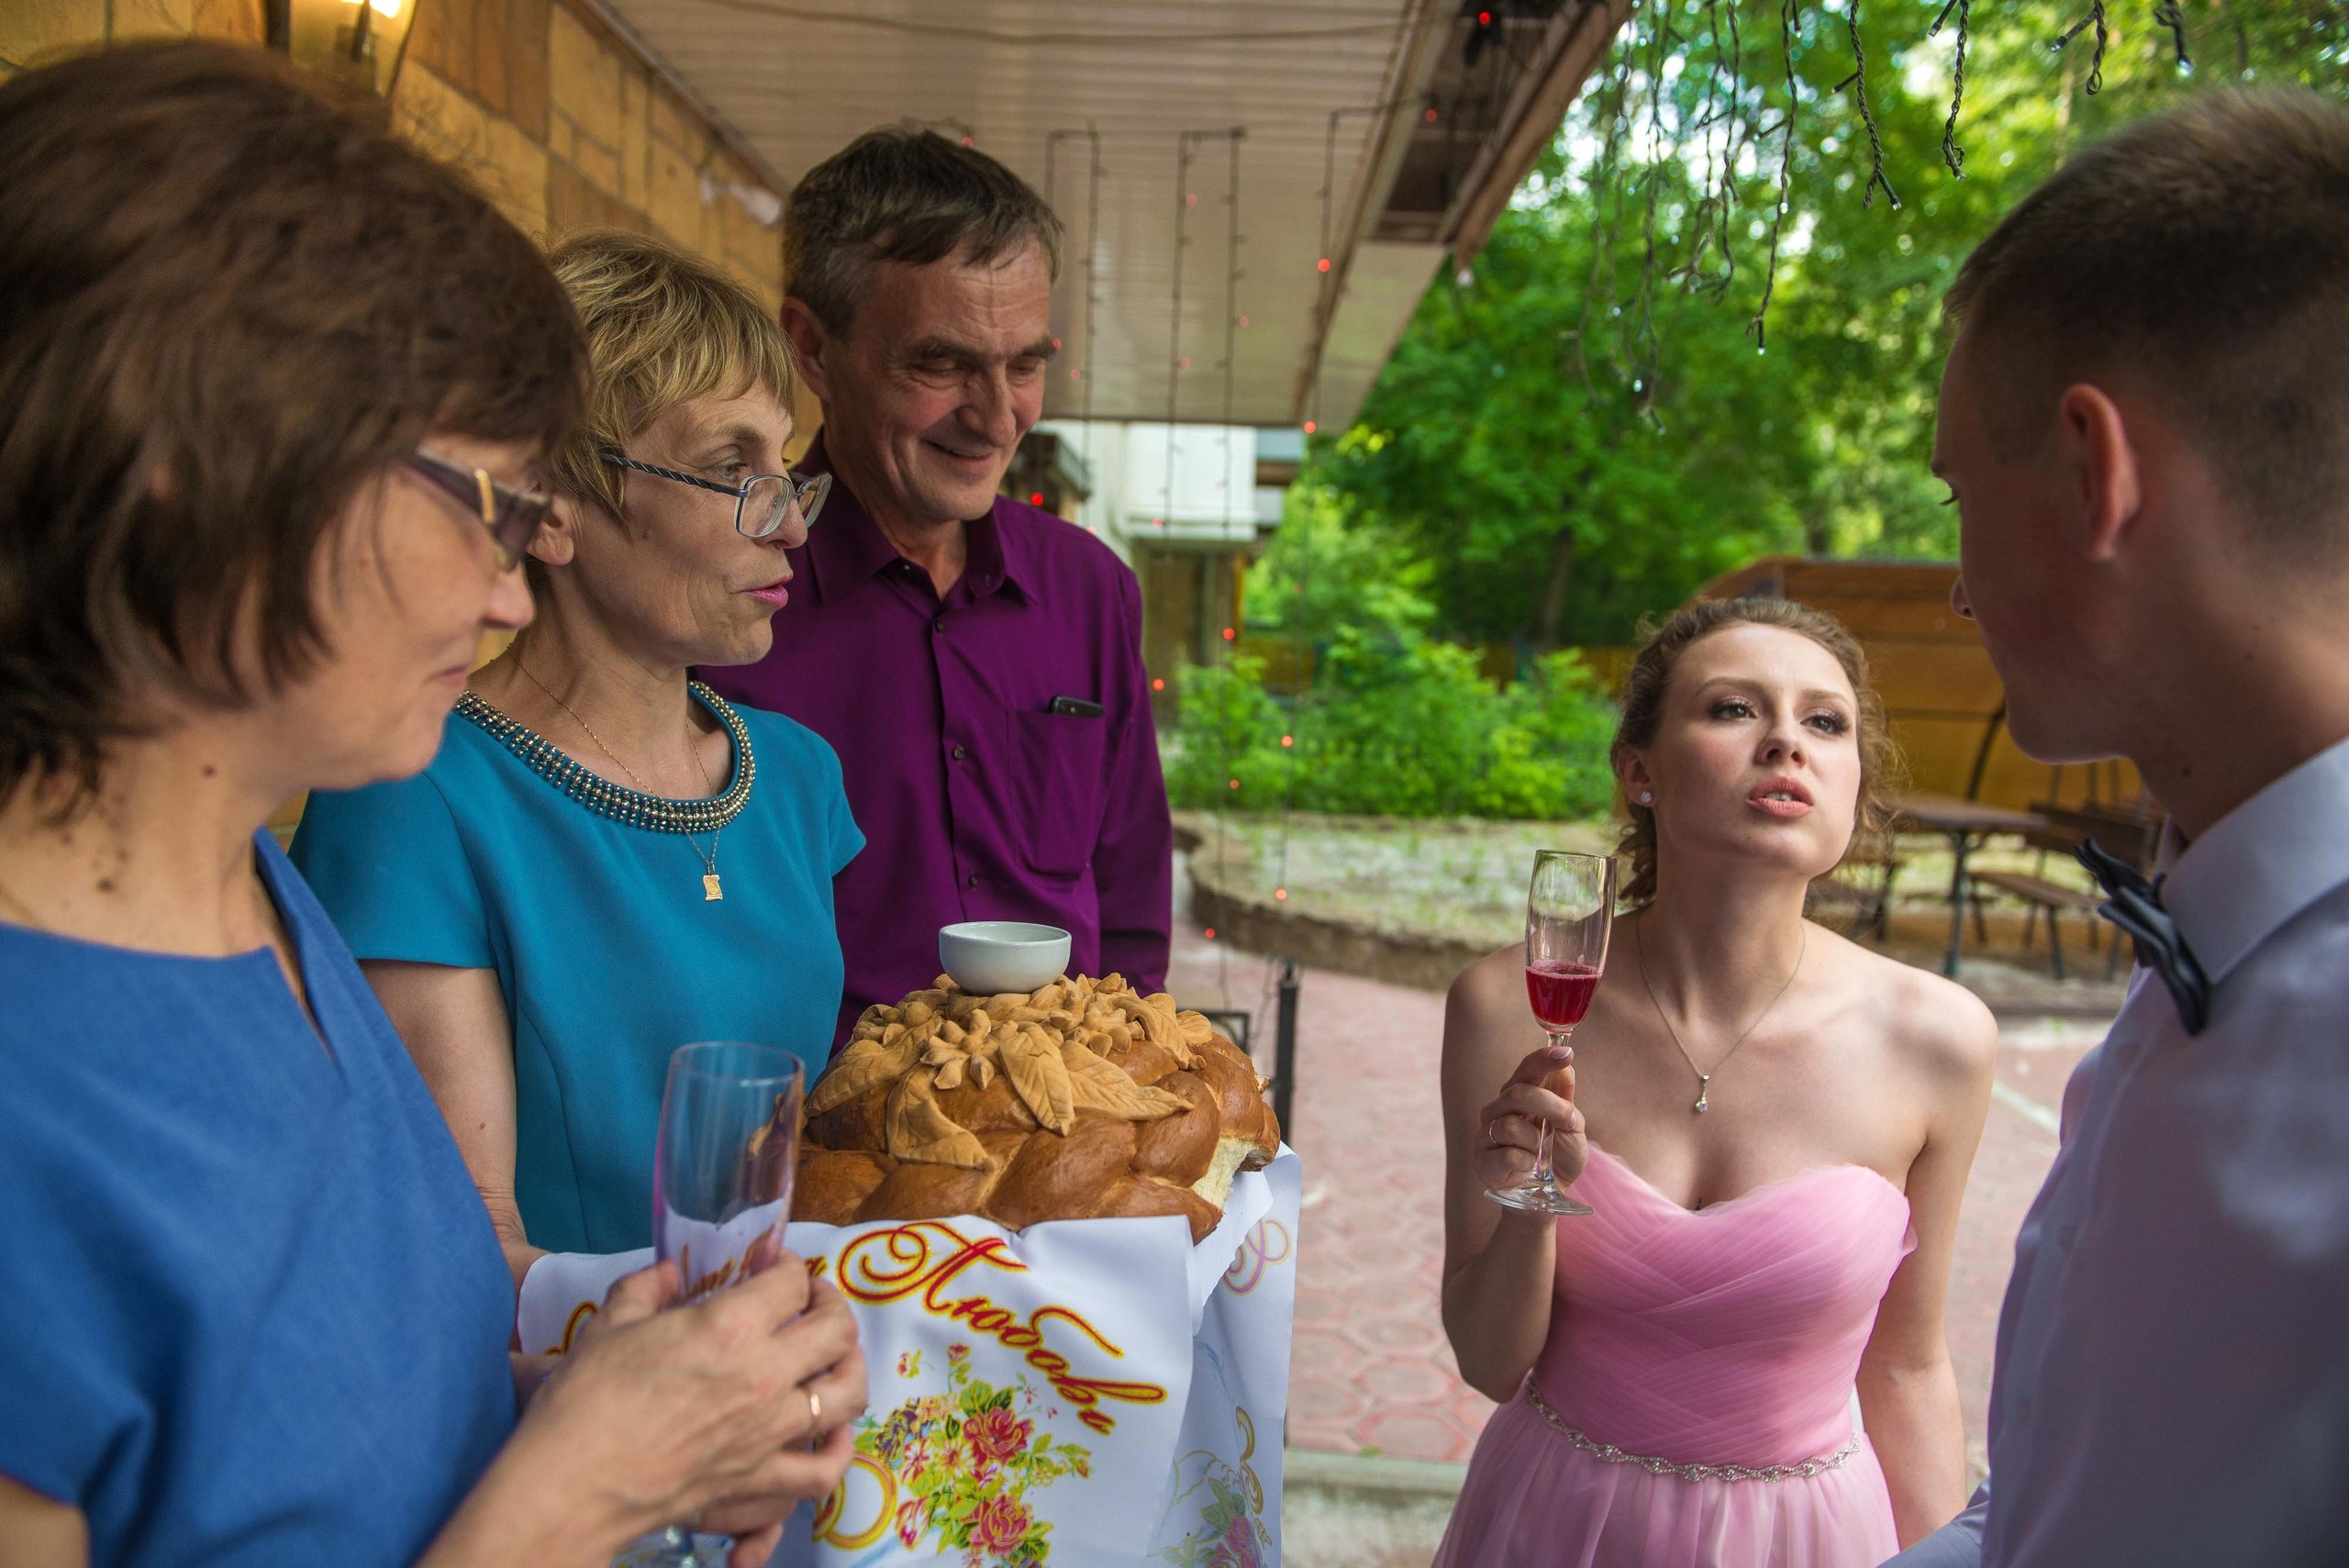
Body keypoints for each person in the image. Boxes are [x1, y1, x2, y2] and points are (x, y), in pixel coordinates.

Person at [0, 44, 862, 1568]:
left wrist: (614, 1399)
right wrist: (586, 1483)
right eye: (482, 503)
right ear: (205, 479)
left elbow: (341, 1429)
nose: (511, 582)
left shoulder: (256, 904)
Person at [1890, 89, 2349, 1567]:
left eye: (1963, 491)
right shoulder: (2201, 952)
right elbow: (2061, 1498)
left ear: (2096, 473)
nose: (1959, 585)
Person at [293, 229, 862, 1268]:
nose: (790, 525)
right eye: (732, 466)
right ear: (553, 507)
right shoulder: (414, 790)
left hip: (792, 1360)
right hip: (557, 1391)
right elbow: (460, 1238)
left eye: (785, 467)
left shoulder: (796, 777)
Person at [1435, 598, 1998, 1566]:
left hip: (1807, 1540)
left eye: (1825, 721)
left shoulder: (1936, 1039)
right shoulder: (1506, 1005)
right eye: (1735, 708)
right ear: (1637, 771)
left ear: (1855, 781)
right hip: (1555, 1522)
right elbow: (1490, 1364)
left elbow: (1906, 1366)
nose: (1787, 740)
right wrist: (1530, 1206)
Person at [698, 128, 1171, 1046]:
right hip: (819, 1151)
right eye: (943, 362)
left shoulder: (1091, 590)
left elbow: (1133, 909)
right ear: (814, 348)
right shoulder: (724, 594)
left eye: (1025, 362)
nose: (998, 417)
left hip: (1061, 1140)